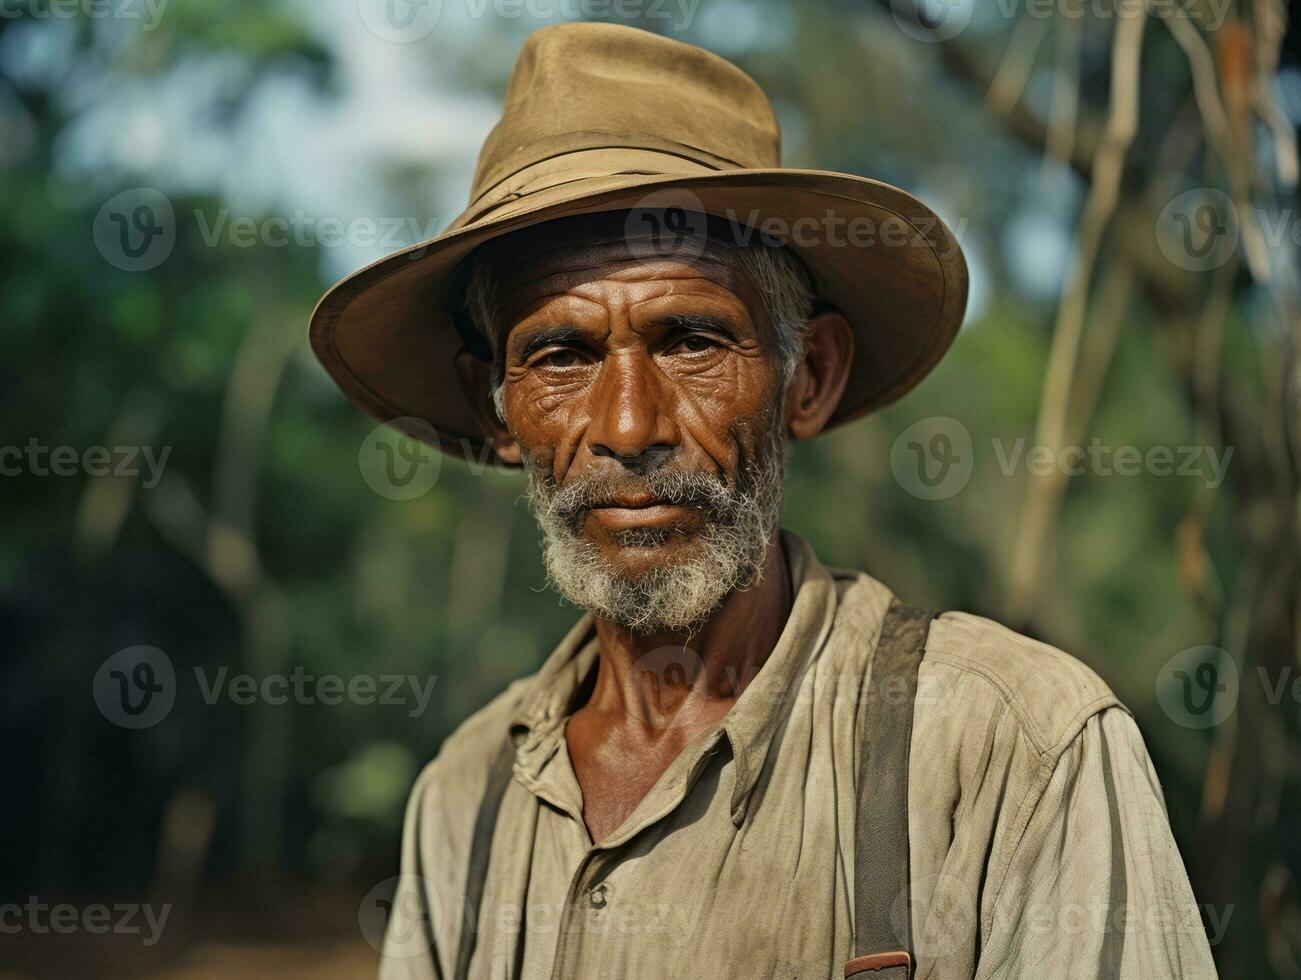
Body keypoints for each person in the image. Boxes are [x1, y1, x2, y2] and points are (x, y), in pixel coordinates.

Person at [310, 21, 1218, 980]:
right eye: (561, 357)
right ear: (494, 413)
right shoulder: (468, 798)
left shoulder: (1009, 748)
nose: (628, 426)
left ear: (808, 378)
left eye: (691, 341)